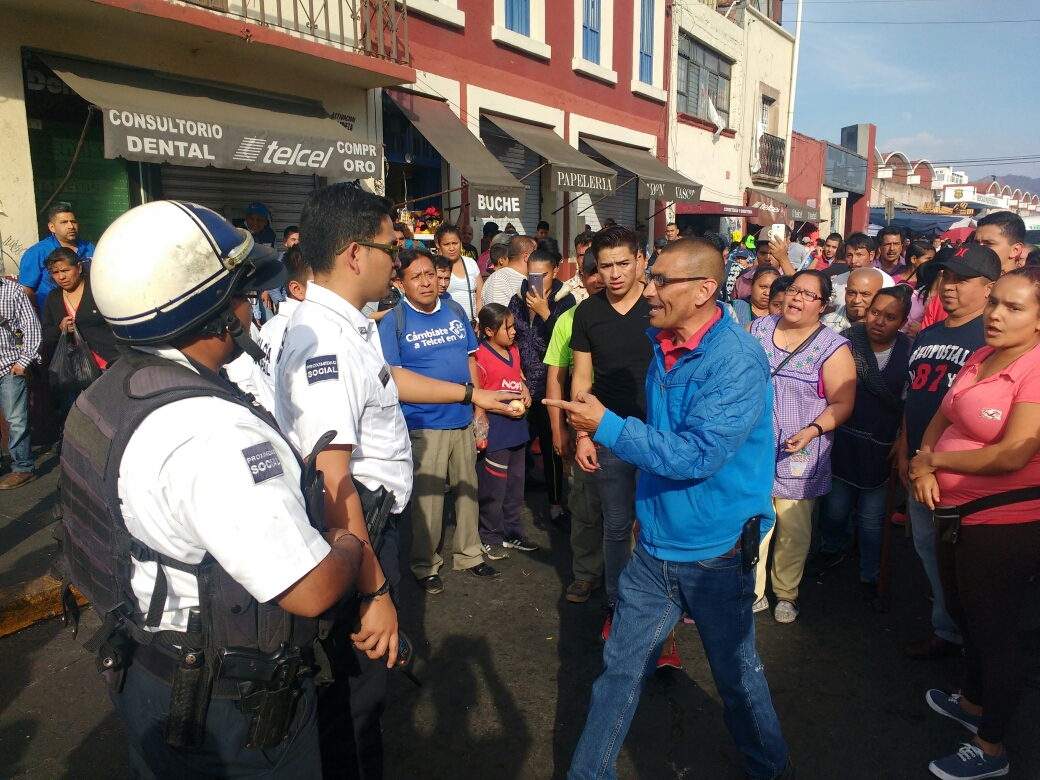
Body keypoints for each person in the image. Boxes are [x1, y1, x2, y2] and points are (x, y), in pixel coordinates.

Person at [57, 199, 367, 778]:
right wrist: (347, 536)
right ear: (213, 313)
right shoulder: (216, 434)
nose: (250, 311)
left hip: (143, 672)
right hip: (227, 710)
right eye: (241, 296)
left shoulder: (111, 393)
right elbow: (312, 590)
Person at [275, 184, 515, 779]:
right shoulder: (324, 341)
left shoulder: (348, 324)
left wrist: (472, 392)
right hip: (359, 535)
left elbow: (390, 379)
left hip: (373, 530)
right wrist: (377, 591)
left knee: (364, 692)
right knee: (356, 699)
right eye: (393, 245)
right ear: (357, 253)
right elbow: (335, 482)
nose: (401, 256)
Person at [549, 238, 793, 780]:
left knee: (736, 674)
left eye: (661, 280)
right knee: (618, 670)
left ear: (706, 290)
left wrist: (605, 425)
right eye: (650, 276)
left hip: (718, 550)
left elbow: (697, 454)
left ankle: (770, 767)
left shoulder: (736, 359)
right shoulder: (662, 339)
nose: (648, 289)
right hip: (656, 545)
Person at [908, 267, 1040, 780]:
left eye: (1014, 308)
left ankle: (991, 749)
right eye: (995, 305)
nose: (996, 316)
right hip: (953, 511)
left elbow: (1015, 452)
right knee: (962, 609)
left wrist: (935, 464)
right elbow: (945, 412)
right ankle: (975, 703)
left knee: (995, 631)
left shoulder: (1033, 368)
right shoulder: (983, 357)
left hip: (1004, 520)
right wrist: (924, 452)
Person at [893, 244, 999, 661]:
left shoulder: (989, 340)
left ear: (989, 288)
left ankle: (973, 641)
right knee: (928, 550)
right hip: (918, 462)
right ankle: (948, 629)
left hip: (956, 473)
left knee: (962, 561)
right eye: (945, 277)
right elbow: (913, 393)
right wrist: (904, 447)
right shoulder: (930, 334)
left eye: (961, 279)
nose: (949, 286)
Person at [378, 247, 497, 593]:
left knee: (467, 492)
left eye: (431, 274)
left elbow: (470, 359)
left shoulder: (456, 310)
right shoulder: (394, 321)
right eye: (416, 277)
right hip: (422, 424)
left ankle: (470, 554)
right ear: (401, 283)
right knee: (428, 500)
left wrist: (479, 406)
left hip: (462, 417)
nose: (427, 282)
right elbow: (394, 377)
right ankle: (425, 564)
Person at [749, 270, 856, 623]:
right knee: (753, 522)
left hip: (801, 450)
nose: (797, 298)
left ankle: (787, 593)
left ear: (823, 306)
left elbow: (842, 403)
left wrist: (812, 431)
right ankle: (752, 591)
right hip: (754, 446)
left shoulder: (833, 347)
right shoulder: (758, 329)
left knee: (794, 527)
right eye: (794, 289)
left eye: (808, 295)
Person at [570, 226, 653, 640]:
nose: (615, 274)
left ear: (642, 260)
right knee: (617, 525)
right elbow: (581, 377)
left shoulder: (659, 304)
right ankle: (617, 604)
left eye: (623, 263)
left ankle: (660, 604)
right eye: (606, 266)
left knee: (657, 523)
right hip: (607, 434)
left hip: (660, 435)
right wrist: (583, 434)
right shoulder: (588, 312)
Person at [815, 287, 912, 607]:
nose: (879, 321)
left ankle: (870, 574)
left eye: (890, 317)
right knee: (834, 510)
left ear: (902, 321)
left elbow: (911, 405)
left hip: (882, 449)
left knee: (872, 522)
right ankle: (831, 549)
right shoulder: (844, 341)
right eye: (875, 312)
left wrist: (902, 440)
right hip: (843, 442)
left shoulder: (909, 353)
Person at [544, 252, 606, 604]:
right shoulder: (568, 319)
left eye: (606, 269)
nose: (600, 278)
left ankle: (629, 577)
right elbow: (556, 378)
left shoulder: (643, 314)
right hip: (585, 430)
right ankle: (586, 573)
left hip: (627, 426)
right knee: (584, 505)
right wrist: (558, 430)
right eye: (591, 272)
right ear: (580, 277)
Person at [508, 250, 575, 527]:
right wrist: (514, 372)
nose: (536, 281)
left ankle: (556, 505)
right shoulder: (517, 299)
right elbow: (510, 336)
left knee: (552, 447)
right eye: (531, 275)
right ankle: (508, 507)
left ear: (555, 271)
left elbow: (567, 344)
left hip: (552, 385)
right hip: (521, 386)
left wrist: (546, 314)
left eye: (542, 275)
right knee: (515, 445)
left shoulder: (566, 300)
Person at [475, 303, 537, 556]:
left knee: (515, 484)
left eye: (513, 326)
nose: (513, 332)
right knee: (493, 487)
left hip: (517, 428)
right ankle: (489, 534)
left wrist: (524, 391)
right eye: (507, 327)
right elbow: (477, 392)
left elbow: (516, 379)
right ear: (488, 331)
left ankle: (513, 532)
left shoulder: (514, 351)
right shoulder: (479, 355)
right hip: (496, 429)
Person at [40, 247, 119, 418]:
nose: (61, 277)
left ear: (79, 268)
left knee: (112, 413)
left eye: (65, 270)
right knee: (83, 417)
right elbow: (46, 335)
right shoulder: (53, 298)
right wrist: (60, 329)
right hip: (75, 372)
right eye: (55, 272)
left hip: (109, 363)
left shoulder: (97, 288)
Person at [236, 245, 312, 413]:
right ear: (297, 290)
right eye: (324, 283)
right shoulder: (307, 334)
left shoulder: (269, 327)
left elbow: (256, 381)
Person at [0, 274, 41, 490]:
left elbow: (31, 327)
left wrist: (23, 362)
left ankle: (23, 467)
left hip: (9, 366)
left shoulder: (12, 291)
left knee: (16, 420)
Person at [19, 203, 94, 312]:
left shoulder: (89, 248)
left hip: (89, 314)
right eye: (64, 222)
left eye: (73, 221)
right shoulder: (37, 252)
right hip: (55, 318)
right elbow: (26, 290)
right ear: (51, 227)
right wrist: (48, 306)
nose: (71, 226)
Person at [435, 223, 482, 325]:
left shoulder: (471, 263)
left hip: (473, 324)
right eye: (447, 244)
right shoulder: (433, 266)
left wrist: (479, 319)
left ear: (461, 243)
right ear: (438, 244)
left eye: (455, 243)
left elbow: (479, 296)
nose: (452, 248)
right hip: (447, 324)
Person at [829, 233, 894, 307]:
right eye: (849, 255)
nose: (853, 261)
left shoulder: (885, 281)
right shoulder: (837, 281)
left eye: (859, 255)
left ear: (871, 256)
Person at [821, 267, 886, 333]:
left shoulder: (887, 328)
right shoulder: (825, 326)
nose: (856, 300)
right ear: (846, 291)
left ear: (878, 295)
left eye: (865, 294)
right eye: (851, 293)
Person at [481, 235, 535, 307]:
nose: (538, 257)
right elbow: (498, 316)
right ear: (526, 256)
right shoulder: (499, 280)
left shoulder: (530, 279)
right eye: (535, 253)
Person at [974, 210, 1026, 275]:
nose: (979, 249)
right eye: (976, 243)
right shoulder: (966, 279)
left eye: (989, 243)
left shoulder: (1026, 284)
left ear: (1015, 250)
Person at [731, 234, 779, 301]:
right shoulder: (742, 280)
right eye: (763, 253)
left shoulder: (789, 281)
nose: (768, 258)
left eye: (773, 254)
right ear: (756, 255)